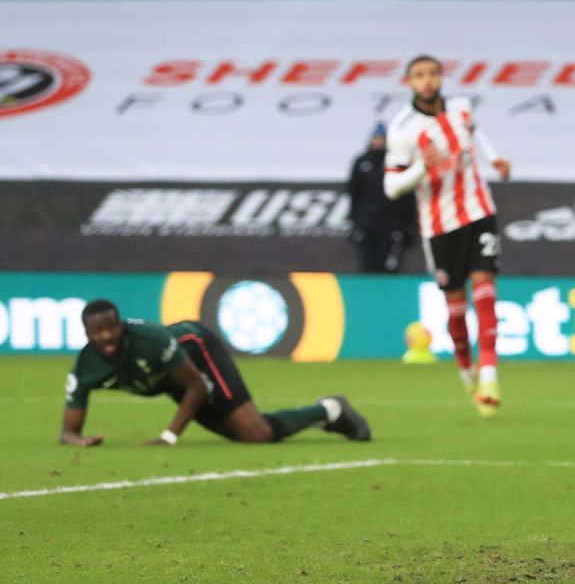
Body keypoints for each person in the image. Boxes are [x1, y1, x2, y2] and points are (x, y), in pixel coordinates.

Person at [383, 54, 511, 418]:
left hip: (479, 211)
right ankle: (468, 376)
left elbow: (475, 132)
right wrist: (424, 166)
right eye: (419, 75)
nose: (427, 81)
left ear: (441, 78)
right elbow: (392, 186)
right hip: (439, 226)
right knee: (456, 313)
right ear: (409, 82)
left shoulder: (461, 107)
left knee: (485, 295)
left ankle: (489, 378)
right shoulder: (402, 129)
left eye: (433, 74)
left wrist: (494, 158)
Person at [60, 299, 371, 447]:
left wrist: (169, 437)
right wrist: (81, 441)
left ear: (121, 325)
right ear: (86, 334)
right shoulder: (86, 368)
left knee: (256, 435)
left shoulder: (150, 340)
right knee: (250, 435)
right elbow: (68, 432)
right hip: (174, 380)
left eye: (111, 328)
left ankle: (330, 408)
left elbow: (195, 386)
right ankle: (330, 413)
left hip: (197, 354)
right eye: (97, 332)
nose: (106, 337)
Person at [348, 121, 419, 273]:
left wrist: (409, 226)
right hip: (368, 226)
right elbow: (354, 194)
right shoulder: (362, 163)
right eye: (376, 139)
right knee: (368, 267)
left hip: (392, 227)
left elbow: (408, 197)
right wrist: (355, 223)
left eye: (382, 139)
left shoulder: (398, 163)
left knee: (390, 268)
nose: (379, 143)